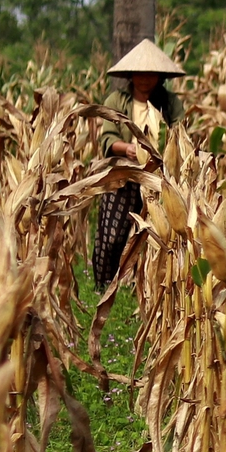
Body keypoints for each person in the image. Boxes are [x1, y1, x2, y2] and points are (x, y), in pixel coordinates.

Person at [93, 38, 186, 290]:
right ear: (132, 75)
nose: (145, 79)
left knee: (155, 234)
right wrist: (129, 149)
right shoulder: (116, 100)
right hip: (124, 173)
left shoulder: (170, 103)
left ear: (159, 76)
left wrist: (162, 153)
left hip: (159, 177)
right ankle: (104, 286)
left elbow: (181, 135)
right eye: (140, 74)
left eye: (151, 74)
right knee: (112, 236)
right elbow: (108, 137)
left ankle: (144, 286)